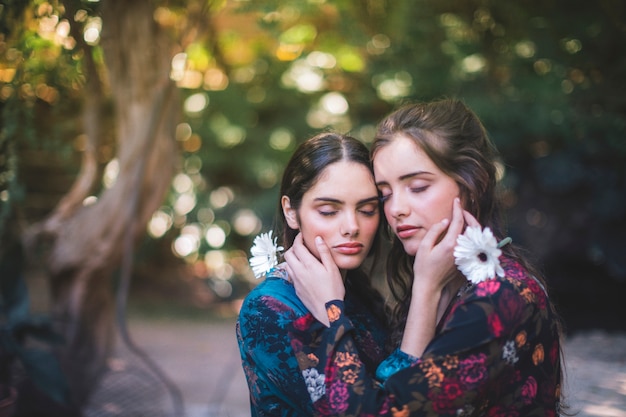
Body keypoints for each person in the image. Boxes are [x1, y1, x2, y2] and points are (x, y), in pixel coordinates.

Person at [286, 98, 566, 416]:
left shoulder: (500, 294)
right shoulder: (445, 278)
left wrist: (330, 313)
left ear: (471, 184)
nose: (396, 209)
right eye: (385, 195)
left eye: (417, 187)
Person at [236, 132, 390, 415]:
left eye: (367, 210)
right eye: (329, 211)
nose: (351, 226)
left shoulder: (358, 290)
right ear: (291, 212)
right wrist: (331, 313)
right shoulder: (268, 309)